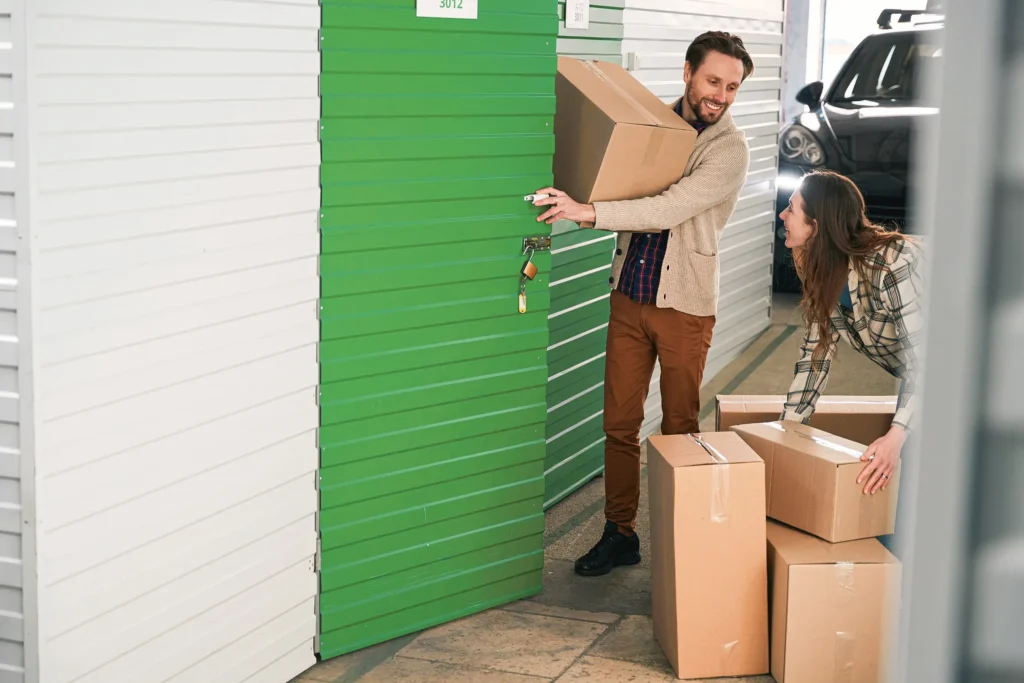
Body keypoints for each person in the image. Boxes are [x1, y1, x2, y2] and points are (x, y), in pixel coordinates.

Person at [532, 31, 755, 577]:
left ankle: (683, 544)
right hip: (630, 294)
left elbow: (668, 207)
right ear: (687, 72)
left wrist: (585, 212)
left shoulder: (730, 149)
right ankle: (620, 534)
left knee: (680, 426)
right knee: (619, 424)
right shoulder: (652, 126)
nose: (720, 95)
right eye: (712, 81)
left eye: (732, 87)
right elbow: (619, 173)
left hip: (685, 307)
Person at [778, 169, 924, 550]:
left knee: (907, 480)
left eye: (791, 209)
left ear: (817, 224)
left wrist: (897, 436)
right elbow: (814, 357)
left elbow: (930, 362)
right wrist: (783, 437)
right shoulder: (823, 269)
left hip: (969, 367)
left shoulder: (892, 264)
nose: (782, 215)